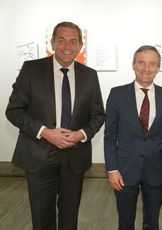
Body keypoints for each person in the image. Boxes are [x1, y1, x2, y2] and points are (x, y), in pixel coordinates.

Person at [5, 21, 105, 229]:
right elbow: (13, 110)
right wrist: (44, 132)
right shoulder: (31, 69)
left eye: (73, 41)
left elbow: (98, 115)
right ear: (52, 43)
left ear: (80, 46)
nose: (67, 46)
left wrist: (82, 134)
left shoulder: (90, 75)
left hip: (74, 156)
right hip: (39, 155)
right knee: (42, 218)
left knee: (70, 218)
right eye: (61, 40)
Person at [104, 45, 162, 230]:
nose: (146, 68)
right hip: (124, 171)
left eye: (152, 64)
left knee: (152, 222)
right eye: (141, 62)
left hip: (156, 171)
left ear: (158, 68)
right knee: (125, 222)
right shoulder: (117, 94)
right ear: (133, 65)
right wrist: (112, 169)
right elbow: (110, 136)